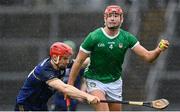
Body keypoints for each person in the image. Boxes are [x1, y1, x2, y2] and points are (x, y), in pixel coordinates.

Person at [67, 5, 169, 111]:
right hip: (95, 80)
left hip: (115, 82)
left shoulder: (127, 38)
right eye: (109, 16)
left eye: (116, 16)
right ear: (105, 19)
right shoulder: (94, 37)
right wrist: (69, 86)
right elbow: (79, 61)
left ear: (122, 19)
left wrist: (158, 50)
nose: (112, 18)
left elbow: (148, 57)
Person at [14, 42, 100, 111]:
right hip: (26, 106)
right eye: (65, 59)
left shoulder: (60, 63)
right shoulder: (45, 71)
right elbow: (65, 88)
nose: (68, 61)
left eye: (68, 58)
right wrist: (87, 96)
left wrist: (102, 57)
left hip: (40, 105)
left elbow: (81, 62)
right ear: (55, 57)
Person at [51, 40, 88, 111]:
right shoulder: (57, 64)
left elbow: (85, 79)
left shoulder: (78, 64)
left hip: (73, 96)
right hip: (59, 97)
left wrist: (82, 92)